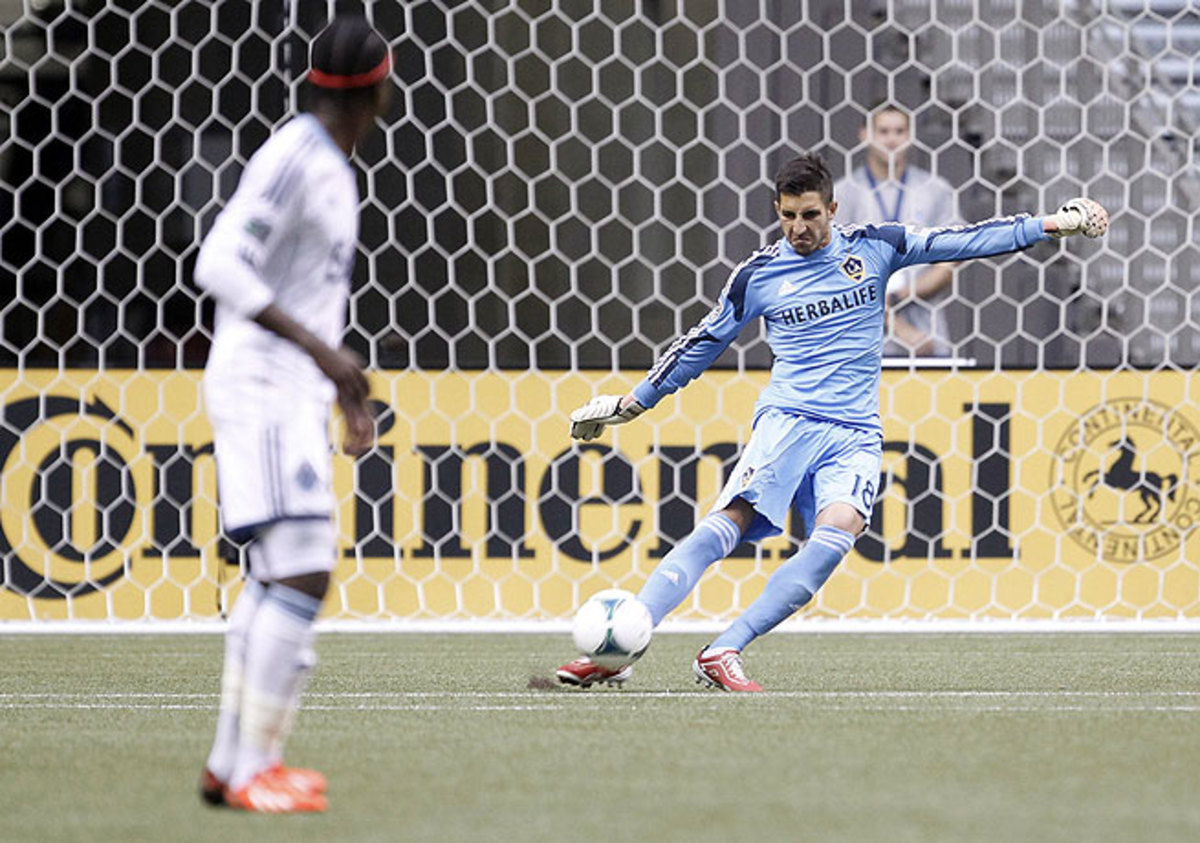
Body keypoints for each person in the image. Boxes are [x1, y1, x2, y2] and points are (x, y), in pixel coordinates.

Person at [557, 152, 1107, 692]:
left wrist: (1052, 225)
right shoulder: (759, 275)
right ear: (777, 210)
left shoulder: (876, 247)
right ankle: (619, 651)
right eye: (788, 215)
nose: (799, 227)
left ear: (833, 209)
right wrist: (634, 402)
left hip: (855, 433)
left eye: (811, 215)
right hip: (788, 421)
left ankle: (724, 649)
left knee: (838, 532)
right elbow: (703, 342)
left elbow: (960, 240)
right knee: (727, 523)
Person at [193, 16, 390, 813]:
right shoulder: (297, 155)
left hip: (292, 387)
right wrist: (323, 354)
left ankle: (229, 764)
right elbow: (215, 261)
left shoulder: (333, 167)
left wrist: (342, 387)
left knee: (278, 572)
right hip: (262, 382)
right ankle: (254, 769)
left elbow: (311, 294)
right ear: (384, 84)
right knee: (305, 563)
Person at [834, 105, 961, 356]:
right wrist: (895, 323)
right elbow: (835, 269)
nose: (892, 139)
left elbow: (951, 260)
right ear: (865, 134)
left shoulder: (935, 190)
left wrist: (906, 293)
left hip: (927, 331)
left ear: (911, 135)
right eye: (883, 131)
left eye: (899, 131)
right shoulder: (844, 193)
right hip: (860, 338)